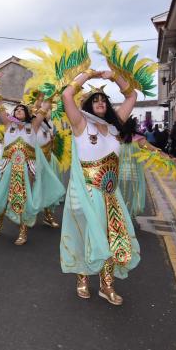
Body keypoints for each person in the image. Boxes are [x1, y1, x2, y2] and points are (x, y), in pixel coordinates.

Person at [60, 68, 140, 306]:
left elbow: (132, 96)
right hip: (84, 190)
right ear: (87, 105)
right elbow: (66, 96)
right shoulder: (81, 124)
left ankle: (107, 285)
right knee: (84, 233)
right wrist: (88, 74)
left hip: (109, 194)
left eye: (103, 99)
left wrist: (114, 77)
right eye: (94, 99)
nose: (99, 102)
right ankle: (82, 278)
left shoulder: (116, 127)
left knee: (110, 236)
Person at [0, 93, 65, 245]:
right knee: (2, 197)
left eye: (22, 109)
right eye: (16, 109)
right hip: (8, 166)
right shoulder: (8, 125)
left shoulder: (33, 126)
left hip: (28, 167)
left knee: (25, 197)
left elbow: (43, 109)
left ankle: (23, 230)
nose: (18, 110)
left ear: (28, 113)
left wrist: (50, 95)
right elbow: (0, 109)